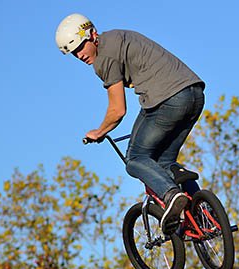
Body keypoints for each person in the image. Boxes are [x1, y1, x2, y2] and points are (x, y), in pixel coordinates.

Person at [55, 14, 205, 233]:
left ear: (92, 34)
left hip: (168, 100)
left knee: (135, 158)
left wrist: (99, 131)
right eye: (74, 53)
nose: (79, 55)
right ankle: (203, 216)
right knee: (165, 161)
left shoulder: (104, 59)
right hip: (194, 94)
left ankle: (172, 195)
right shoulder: (118, 37)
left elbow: (117, 110)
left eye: (80, 47)